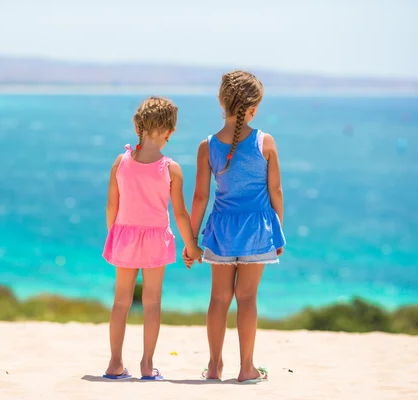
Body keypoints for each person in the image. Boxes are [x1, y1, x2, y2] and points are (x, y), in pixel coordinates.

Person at [183, 70, 286, 383]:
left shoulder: (207, 146)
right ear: (253, 108)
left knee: (218, 299)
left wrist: (191, 242)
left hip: (221, 233)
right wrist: (278, 231)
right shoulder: (265, 142)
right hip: (257, 231)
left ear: (221, 102)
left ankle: (214, 367)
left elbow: (200, 197)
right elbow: (276, 191)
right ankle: (246, 368)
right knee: (247, 299)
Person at [102, 96, 203, 381]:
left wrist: (115, 235)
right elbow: (181, 214)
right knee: (152, 303)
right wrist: (192, 246)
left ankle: (114, 363)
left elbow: (112, 206)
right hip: (156, 239)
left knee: (120, 302)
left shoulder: (120, 161)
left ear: (139, 126)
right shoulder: (171, 169)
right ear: (170, 131)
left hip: (124, 235)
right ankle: (147, 365)